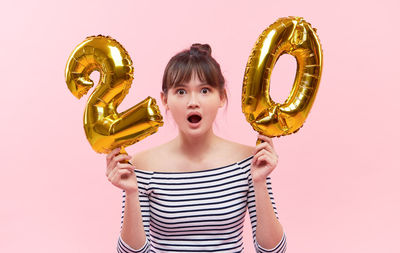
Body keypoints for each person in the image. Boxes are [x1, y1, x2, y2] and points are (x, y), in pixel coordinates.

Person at [105, 44, 287, 253]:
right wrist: (131, 192)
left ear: (222, 97)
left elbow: (273, 251)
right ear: (165, 100)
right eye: (181, 91)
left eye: (204, 90)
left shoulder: (250, 162)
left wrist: (260, 182)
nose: (193, 102)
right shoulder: (142, 166)